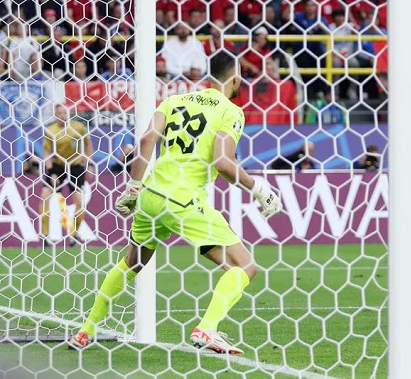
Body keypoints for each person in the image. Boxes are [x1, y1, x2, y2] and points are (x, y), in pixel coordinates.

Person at [69, 52, 283, 353]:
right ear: (235, 79)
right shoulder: (231, 111)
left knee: (132, 262)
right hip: (184, 200)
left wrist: (133, 187)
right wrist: (259, 188)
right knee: (244, 266)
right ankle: (207, 329)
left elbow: (147, 140)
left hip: (151, 195)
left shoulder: (174, 101)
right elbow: (223, 162)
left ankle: (86, 330)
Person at [39, 103, 95, 244]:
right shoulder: (51, 130)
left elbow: (88, 144)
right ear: (55, 115)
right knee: (44, 197)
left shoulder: (78, 127)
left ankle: (74, 235)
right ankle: (45, 235)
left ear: (68, 113)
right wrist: (51, 172)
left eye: (64, 112)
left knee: (79, 203)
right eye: (59, 113)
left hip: (75, 166)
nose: (62, 115)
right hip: (58, 166)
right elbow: (46, 151)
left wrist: (89, 164)